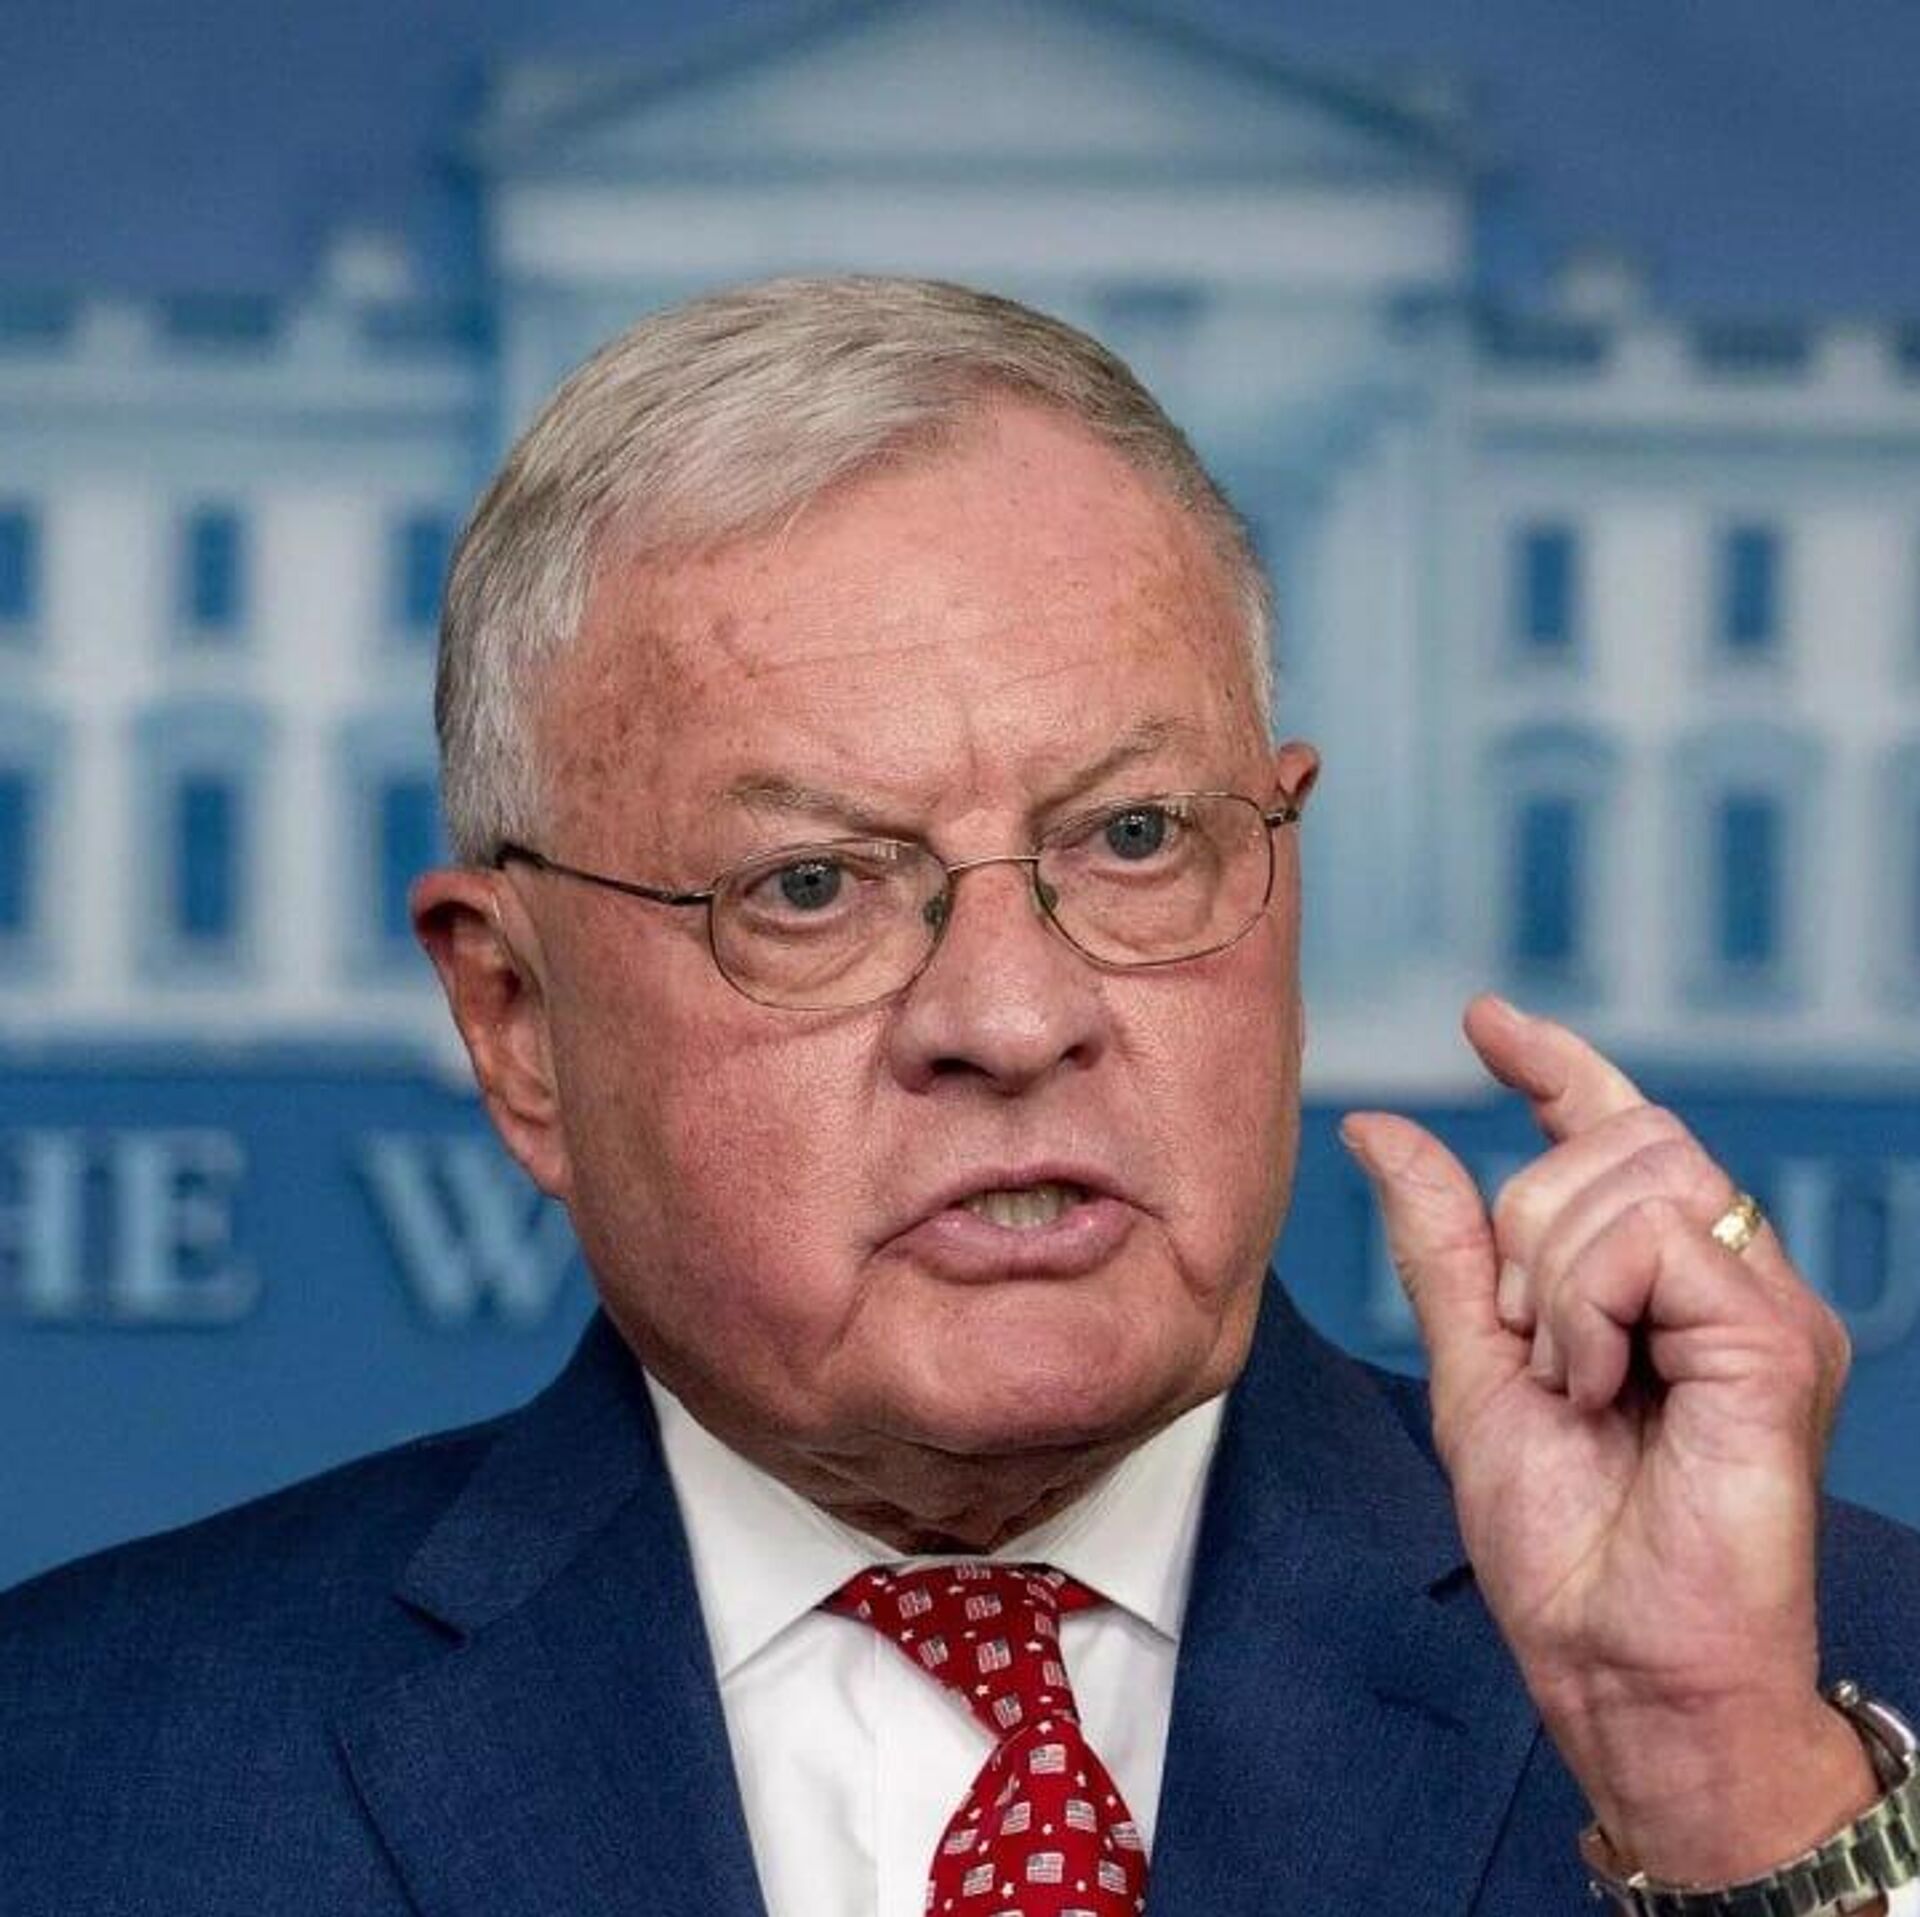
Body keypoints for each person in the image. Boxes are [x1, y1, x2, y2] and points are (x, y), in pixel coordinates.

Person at [3, 275, 1917, 1917]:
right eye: (811, 886)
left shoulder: (1823, 1691)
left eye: (1137, 836)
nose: (1014, 1015)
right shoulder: (78, 1771)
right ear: (514, 1019)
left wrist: (1727, 1802)